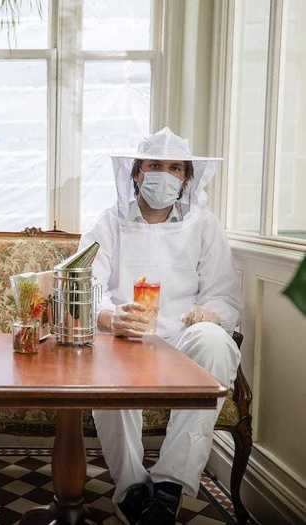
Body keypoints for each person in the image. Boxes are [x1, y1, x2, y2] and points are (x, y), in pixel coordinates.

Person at [79, 128, 242, 525]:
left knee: (216, 343)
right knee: (109, 360)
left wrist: (210, 314)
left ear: (187, 178)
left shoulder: (204, 224)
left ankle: (170, 484)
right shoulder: (109, 222)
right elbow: (84, 284)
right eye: (155, 165)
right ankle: (132, 486)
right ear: (136, 172)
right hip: (126, 335)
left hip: (185, 338)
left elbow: (226, 295)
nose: (164, 175)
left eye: (175, 168)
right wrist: (110, 317)